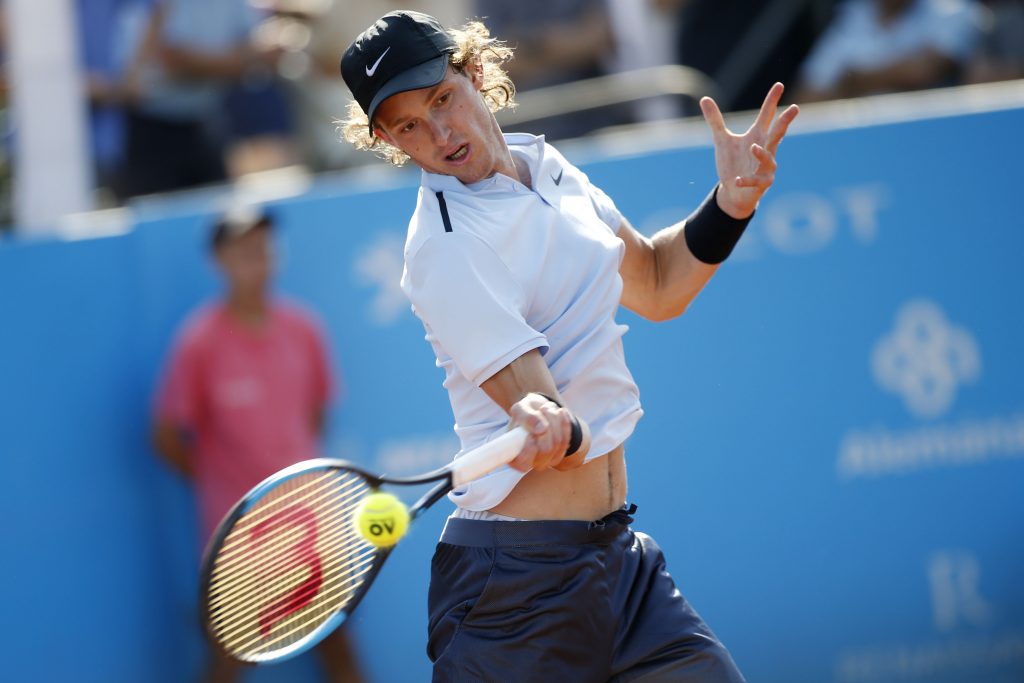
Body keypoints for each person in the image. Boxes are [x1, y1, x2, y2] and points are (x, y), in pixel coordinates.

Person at [339, 11, 798, 682]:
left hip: (620, 563)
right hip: (516, 592)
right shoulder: (444, 246)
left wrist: (731, 203)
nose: (439, 133)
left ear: (474, 73)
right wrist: (548, 422)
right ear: (386, 139)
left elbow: (658, 284)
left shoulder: (545, 164)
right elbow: (547, 416)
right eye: (407, 125)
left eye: (441, 99)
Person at [151, 208, 363, 683]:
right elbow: (165, 436)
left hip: (312, 526)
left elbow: (316, 414)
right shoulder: (198, 342)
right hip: (239, 538)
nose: (257, 259)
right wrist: (227, 487)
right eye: (243, 250)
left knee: (339, 649)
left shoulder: (305, 329)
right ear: (219, 260)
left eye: (264, 248)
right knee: (229, 661)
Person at [794, 0, 982, 103]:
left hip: (933, 138)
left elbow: (923, 71)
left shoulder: (951, 9)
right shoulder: (852, 15)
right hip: (862, 142)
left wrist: (852, 82)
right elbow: (807, 97)